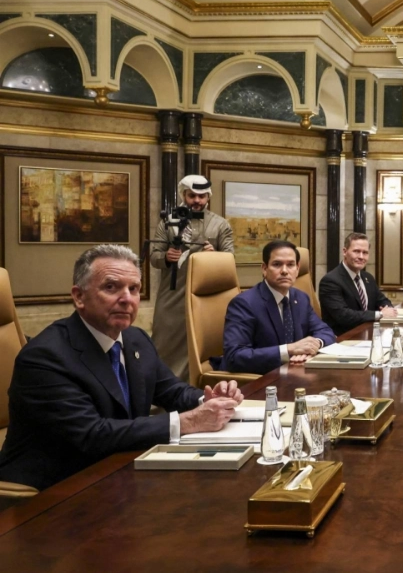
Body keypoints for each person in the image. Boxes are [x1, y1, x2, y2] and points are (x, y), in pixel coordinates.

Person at [0, 245, 242, 491]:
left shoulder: (135, 339)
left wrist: (207, 398)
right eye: (111, 287)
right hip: (53, 491)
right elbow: (93, 434)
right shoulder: (46, 357)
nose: (127, 298)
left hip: (117, 471)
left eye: (134, 289)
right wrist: (188, 421)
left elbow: (171, 391)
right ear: (79, 296)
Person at [149, 175, 234, 381]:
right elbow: (153, 256)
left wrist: (215, 256)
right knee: (165, 343)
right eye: (192, 195)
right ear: (183, 195)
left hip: (207, 298)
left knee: (202, 344)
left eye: (201, 196)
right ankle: (163, 395)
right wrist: (166, 257)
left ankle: (197, 391)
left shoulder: (220, 225)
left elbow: (230, 259)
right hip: (172, 294)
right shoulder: (167, 222)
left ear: (208, 198)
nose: (197, 200)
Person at [215, 240, 336, 375]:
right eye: (277, 264)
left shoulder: (301, 298)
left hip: (293, 373)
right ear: (264, 269)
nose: (284, 271)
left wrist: (314, 345)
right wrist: (289, 350)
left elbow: (325, 331)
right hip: (258, 380)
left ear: (297, 269)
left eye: (290, 265)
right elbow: (234, 356)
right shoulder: (244, 304)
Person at [319, 232, 397, 336]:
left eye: (365, 252)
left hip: (368, 334)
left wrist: (388, 309)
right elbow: (344, 316)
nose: (361, 256)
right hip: (343, 339)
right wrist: (381, 314)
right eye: (356, 251)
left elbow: (383, 301)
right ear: (345, 251)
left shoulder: (368, 278)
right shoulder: (330, 281)